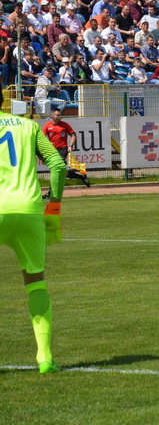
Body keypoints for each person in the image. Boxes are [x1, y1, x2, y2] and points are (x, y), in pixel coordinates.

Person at [1, 86, 67, 374]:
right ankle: (45, 359)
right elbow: (57, 165)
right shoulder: (28, 126)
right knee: (36, 283)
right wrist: (53, 207)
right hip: (28, 211)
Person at [41, 108, 91, 191]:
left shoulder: (65, 125)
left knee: (55, 168)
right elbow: (42, 138)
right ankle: (81, 175)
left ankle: (50, 192)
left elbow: (73, 135)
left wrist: (71, 146)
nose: (60, 116)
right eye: (58, 115)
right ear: (52, 116)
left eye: (60, 115)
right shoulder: (47, 125)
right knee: (63, 172)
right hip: (52, 151)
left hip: (63, 149)